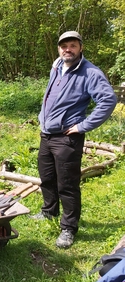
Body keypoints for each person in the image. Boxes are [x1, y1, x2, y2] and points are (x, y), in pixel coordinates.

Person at [32, 31, 117, 248]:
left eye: (72, 45)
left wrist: (83, 125)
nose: (67, 49)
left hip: (67, 138)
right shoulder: (58, 66)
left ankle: (68, 228)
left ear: (80, 48)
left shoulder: (90, 73)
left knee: (67, 185)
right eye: (63, 46)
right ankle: (49, 212)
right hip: (47, 134)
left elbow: (108, 100)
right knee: (47, 177)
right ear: (59, 48)